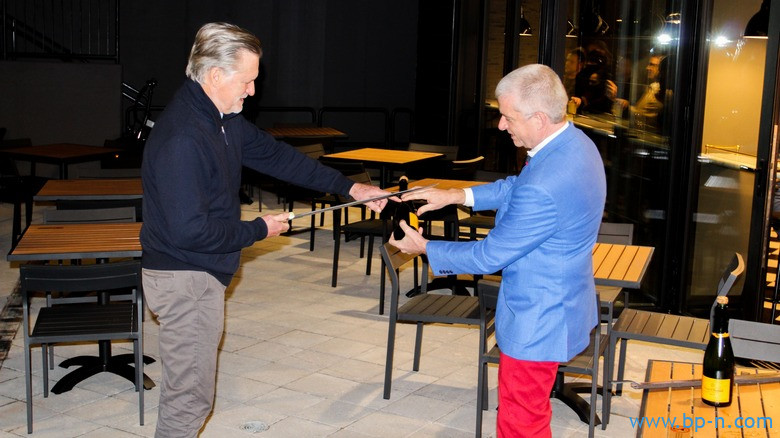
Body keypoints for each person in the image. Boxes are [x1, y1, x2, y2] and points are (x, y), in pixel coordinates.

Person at [140, 22, 389, 437]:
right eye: (248, 80)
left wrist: (350, 187)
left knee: (191, 393)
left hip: (198, 271)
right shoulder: (184, 137)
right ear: (215, 76)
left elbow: (278, 158)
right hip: (184, 275)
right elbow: (190, 232)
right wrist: (258, 228)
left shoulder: (220, 118)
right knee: (189, 399)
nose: (252, 91)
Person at [389, 64, 606, 437]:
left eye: (508, 117)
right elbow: (516, 187)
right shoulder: (575, 144)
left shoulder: (548, 181)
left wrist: (423, 246)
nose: (502, 126)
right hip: (563, 300)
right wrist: (458, 195)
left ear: (539, 118)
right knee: (529, 410)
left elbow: (489, 255)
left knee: (522, 420)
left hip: (539, 314)